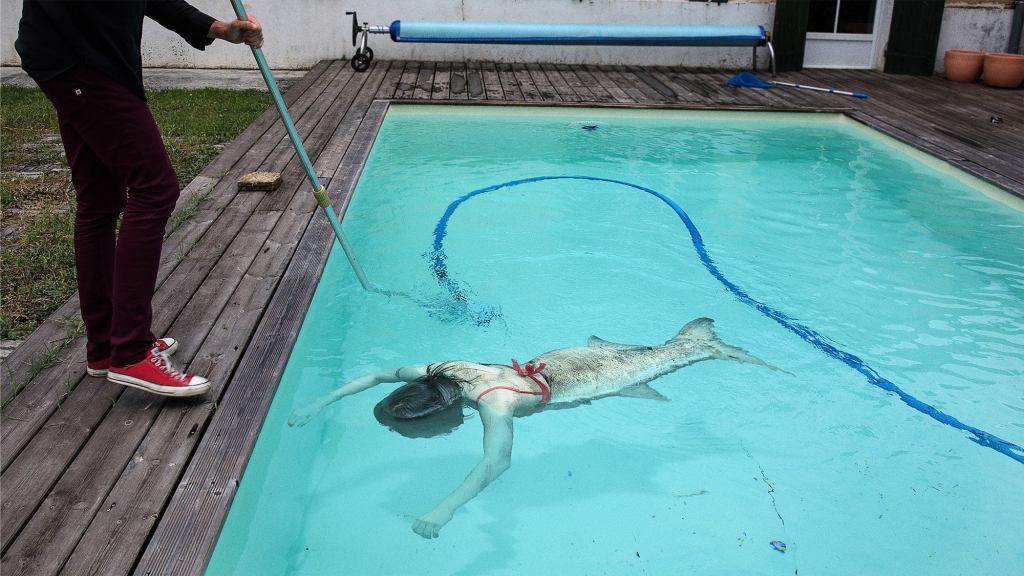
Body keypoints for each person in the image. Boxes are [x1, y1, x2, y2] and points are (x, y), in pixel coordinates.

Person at [289, 317, 781, 539]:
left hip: (584, 382)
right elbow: (378, 375)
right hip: (561, 358)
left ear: (440, 417)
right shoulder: (447, 368)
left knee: (670, 357)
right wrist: (320, 403)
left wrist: (444, 509)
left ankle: (703, 346)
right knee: (646, 350)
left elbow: (497, 461)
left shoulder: (493, 403)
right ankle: (690, 341)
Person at [15, 1, 264, 397]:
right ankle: (130, 352)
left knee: (98, 200)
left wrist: (218, 28)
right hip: (82, 60)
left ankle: (105, 346)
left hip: (74, 56)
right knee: (155, 187)